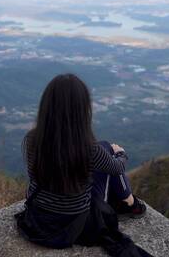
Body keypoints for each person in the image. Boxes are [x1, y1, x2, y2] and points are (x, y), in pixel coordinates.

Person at [15, 73, 151, 257]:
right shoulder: (88, 148)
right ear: (82, 110)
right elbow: (117, 168)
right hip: (74, 222)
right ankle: (130, 203)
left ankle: (129, 202)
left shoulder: (32, 139)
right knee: (107, 149)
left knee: (102, 149)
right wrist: (120, 153)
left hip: (38, 217)